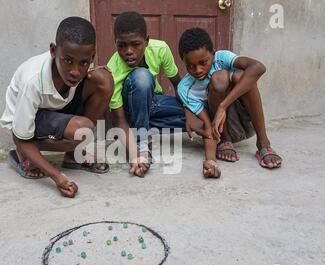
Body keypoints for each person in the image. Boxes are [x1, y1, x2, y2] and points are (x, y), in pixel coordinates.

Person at [0, 17, 113, 198]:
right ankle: (24, 155)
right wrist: (57, 177)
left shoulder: (77, 70)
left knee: (103, 80)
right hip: (28, 122)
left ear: (92, 57)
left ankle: (73, 156)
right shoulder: (33, 81)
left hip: (56, 111)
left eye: (83, 62)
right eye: (67, 61)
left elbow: (86, 73)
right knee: (82, 130)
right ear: (53, 51)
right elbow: (19, 136)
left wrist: (90, 70)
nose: (75, 71)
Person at [107, 11, 204, 177]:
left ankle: (219, 133)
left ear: (147, 41)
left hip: (153, 104)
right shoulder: (113, 70)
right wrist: (135, 156)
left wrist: (190, 113)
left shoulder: (160, 49)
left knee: (201, 111)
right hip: (129, 112)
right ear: (115, 43)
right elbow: (120, 119)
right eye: (121, 45)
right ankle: (142, 144)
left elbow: (179, 87)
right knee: (142, 76)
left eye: (135, 44)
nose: (128, 51)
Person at [177, 27, 283, 178]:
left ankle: (263, 142)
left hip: (246, 120)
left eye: (203, 62)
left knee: (240, 77)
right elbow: (208, 127)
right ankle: (225, 141)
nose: (198, 70)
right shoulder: (185, 88)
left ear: (213, 53)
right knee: (219, 79)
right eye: (191, 66)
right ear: (183, 61)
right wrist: (210, 160)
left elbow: (259, 67)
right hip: (220, 130)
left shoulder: (222, 58)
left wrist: (223, 106)